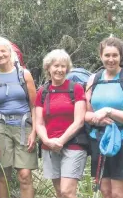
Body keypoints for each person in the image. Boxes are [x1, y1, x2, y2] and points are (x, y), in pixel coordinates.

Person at [85, 37, 123, 198]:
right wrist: (96, 118)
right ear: (101, 56)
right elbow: (86, 113)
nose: (111, 59)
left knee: (119, 194)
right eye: (107, 55)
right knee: (105, 192)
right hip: (100, 140)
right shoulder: (94, 79)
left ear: (121, 56)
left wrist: (109, 111)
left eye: (115, 55)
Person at [0, 37, 38, 198]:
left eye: (3, 51)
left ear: (10, 53)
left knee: (25, 175)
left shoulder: (24, 75)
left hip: (24, 127)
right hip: (0, 128)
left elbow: (34, 106)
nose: (0, 55)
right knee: (3, 175)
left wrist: (34, 132)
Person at [35, 49, 86, 198]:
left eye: (63, 66)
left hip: (73, 145)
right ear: (48, 68)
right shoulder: (42, 92)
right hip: (49, 146)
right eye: (56, 66)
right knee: (60, 193)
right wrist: (47, 141)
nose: (59, 70)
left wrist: (61, 141)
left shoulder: (75, 88)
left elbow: (79, 121)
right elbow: (39, 123)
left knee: (67, 192)